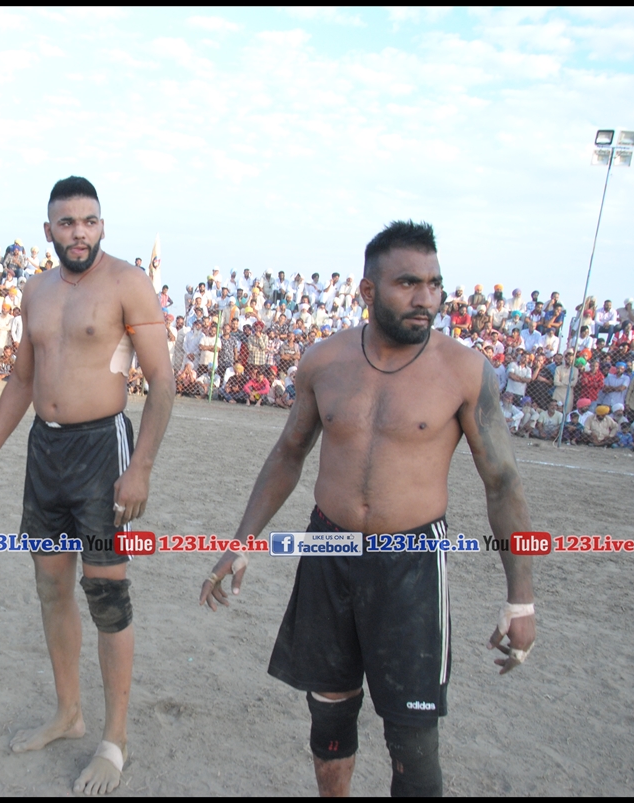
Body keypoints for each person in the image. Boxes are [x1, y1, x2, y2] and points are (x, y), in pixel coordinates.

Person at [199, 221, 535, 797]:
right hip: (328, 550)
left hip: (410, 562)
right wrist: (242, 541)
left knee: (413, 743)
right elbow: (288, 453)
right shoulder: (324, 360)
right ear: (367, 290)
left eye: (434, 284)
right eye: (408, 283)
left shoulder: (463, 369)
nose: (426, 298)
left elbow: (502, 483)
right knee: (329, 719)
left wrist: (520, 600)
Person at [0, 176, 175, 795]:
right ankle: (68, 712)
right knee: (51, 585)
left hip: (102, 450)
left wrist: (140, 468)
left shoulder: (128, 283)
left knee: (106, 594)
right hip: (46, 450)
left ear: (102, 225)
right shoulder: (36, 290)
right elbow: (22, 380)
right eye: (67, 223)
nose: (79, 233)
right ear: (48, 229)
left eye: (89, 221)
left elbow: (162, 382)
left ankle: (115, 740)